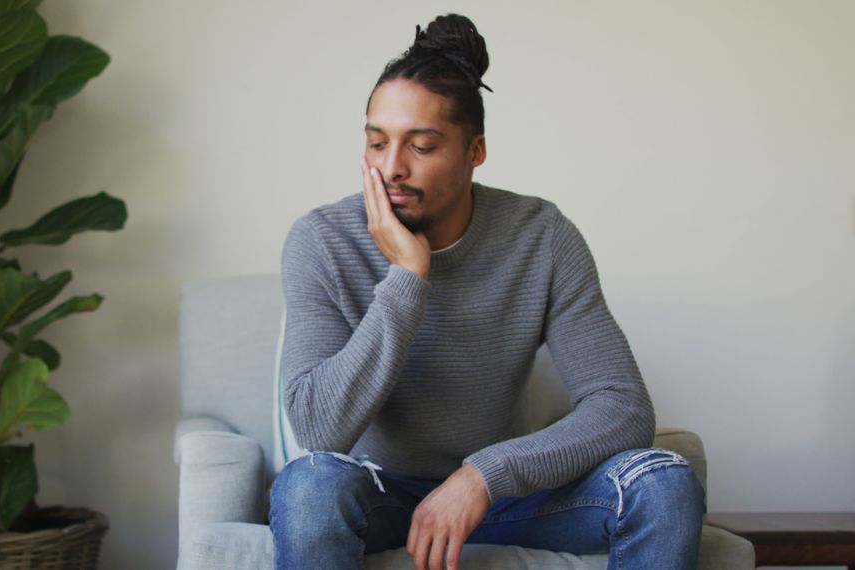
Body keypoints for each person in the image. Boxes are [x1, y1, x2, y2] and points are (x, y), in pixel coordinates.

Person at [269, 13, 705, 570]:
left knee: (663, 481)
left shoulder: (542, 237)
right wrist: (407, 276)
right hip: (379, 497)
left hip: (507, 498)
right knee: (309, 488)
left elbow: (622, 408)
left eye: (421, 146)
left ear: (475, 151)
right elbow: (318, 430)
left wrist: (483, 476)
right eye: (377, 143)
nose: (391, 169)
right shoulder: (321, 240)